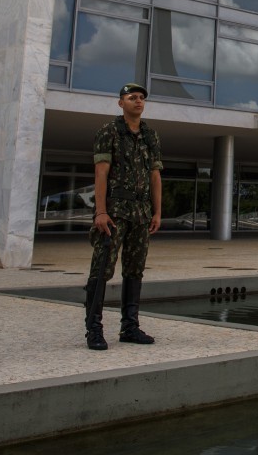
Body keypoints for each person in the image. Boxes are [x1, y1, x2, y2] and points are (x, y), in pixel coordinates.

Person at [83, 82, 162, 351]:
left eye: (141, 98)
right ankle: (93, 329)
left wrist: (157, 211)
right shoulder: (109, 132)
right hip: (115, 211)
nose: (138, 101)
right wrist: (101, 211)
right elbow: (101, 173)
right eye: (132, 97)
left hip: (141, 213)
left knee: (134, 269)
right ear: (121, 103)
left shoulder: (150, 136)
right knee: (102, 268)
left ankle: (130, 327)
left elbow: (155, 175)